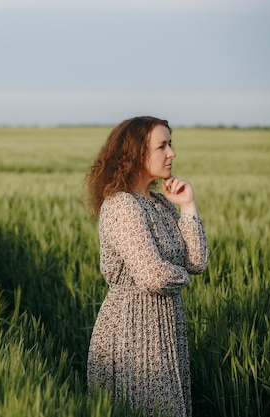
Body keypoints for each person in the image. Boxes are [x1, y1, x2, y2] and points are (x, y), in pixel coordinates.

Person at [85, 116, 209, 416]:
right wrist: (180, 277)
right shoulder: (121, 205)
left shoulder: (161, 204)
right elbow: (154, 276)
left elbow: (198, 261)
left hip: (165, 326)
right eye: (162, 146)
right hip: (133, 331)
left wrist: (187, 206)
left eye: (171, 144)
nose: (172, 153)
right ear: (138, 153)